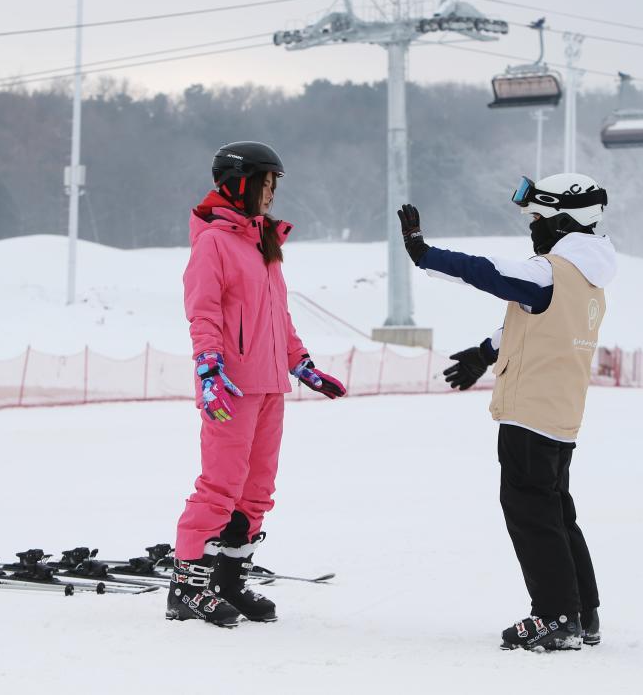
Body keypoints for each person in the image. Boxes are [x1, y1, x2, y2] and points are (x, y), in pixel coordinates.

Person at [397, 173, 616, 651]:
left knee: (531, 513)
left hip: (529, 412)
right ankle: (583, 612)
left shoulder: (552, 271)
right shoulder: (588, 279)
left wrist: (425, 255)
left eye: (537, 218)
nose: (532, 229)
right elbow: (533, 324)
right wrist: (483, 353)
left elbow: (490, 273)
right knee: (556, 511)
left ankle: (556, 617)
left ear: (565, 219)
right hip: (558, 412)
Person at [168, 141, 347, 627]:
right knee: (219, 487)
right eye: (265, 185)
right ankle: (187, 587)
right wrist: (208, 369)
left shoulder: (263, 244)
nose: (270, 195)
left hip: (269, 387)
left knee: (257, 490)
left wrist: (302, 364)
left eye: (274, 187)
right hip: (230, 388)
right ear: (240, 185)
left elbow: (277, 317)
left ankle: (228, 578)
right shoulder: (214, 242)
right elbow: (202, 312)